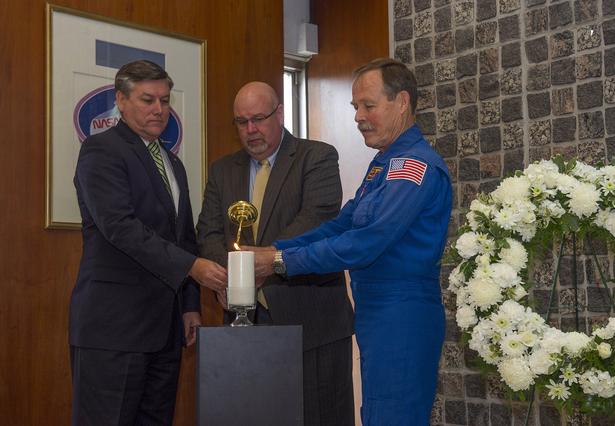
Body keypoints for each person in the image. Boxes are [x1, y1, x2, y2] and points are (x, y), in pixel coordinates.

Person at [251, 58, 453, 425]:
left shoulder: (414, 166)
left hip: (402, 313)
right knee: (376, 413)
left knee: (393, 416)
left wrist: (281, 262)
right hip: (377, 312)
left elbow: (366, 243)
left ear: (402, 102)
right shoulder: (384, 164)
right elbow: (341, 225)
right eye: (355, 107)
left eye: (369, 106)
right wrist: (276, 251)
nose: (358, 116)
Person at [70, 60, 227, 425]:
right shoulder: (100, 150)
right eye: (147, 100)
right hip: (113, 330)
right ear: (121, 101)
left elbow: (184, 237)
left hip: (165, 329)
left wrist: (190, 305)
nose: (159, 109)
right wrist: (192, 268)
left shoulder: (173, 163)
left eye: (165, 100)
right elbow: (119, 227)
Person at [196, 81, 355, 426]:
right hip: (244, 321)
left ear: (279, 114)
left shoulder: (318, 156)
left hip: (311, 320)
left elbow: (316, 221)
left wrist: (258, 265)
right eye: (241, 122)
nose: (250, 130)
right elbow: (208, 233)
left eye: (258, 119)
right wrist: (229, 279)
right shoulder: (223, 170)